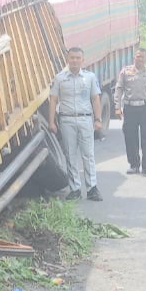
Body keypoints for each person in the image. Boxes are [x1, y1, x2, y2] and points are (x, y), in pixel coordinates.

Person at [47, 47, 104, 201]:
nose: (75, 60)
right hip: (66, 120)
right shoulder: (59, 78)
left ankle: (92, 188)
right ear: (67, 59)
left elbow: (95, 99)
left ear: (82, 60)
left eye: (78, 58)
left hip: (85, 119)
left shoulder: (90, 77)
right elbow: (53, 100)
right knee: (70, 155)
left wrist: (98, 120)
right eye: (72, 57)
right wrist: (51, 121)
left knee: (88, 154)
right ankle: (75, 189)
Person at [114, 47, 146, 175]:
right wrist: (117, 107)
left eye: (142, 57)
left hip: (145, 108)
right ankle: (134, 165)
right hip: (130, 108)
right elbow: (119, 89)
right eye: (137, 56)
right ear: (134, 58)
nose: (139, 59)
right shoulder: (125, 72)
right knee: (130, 137)